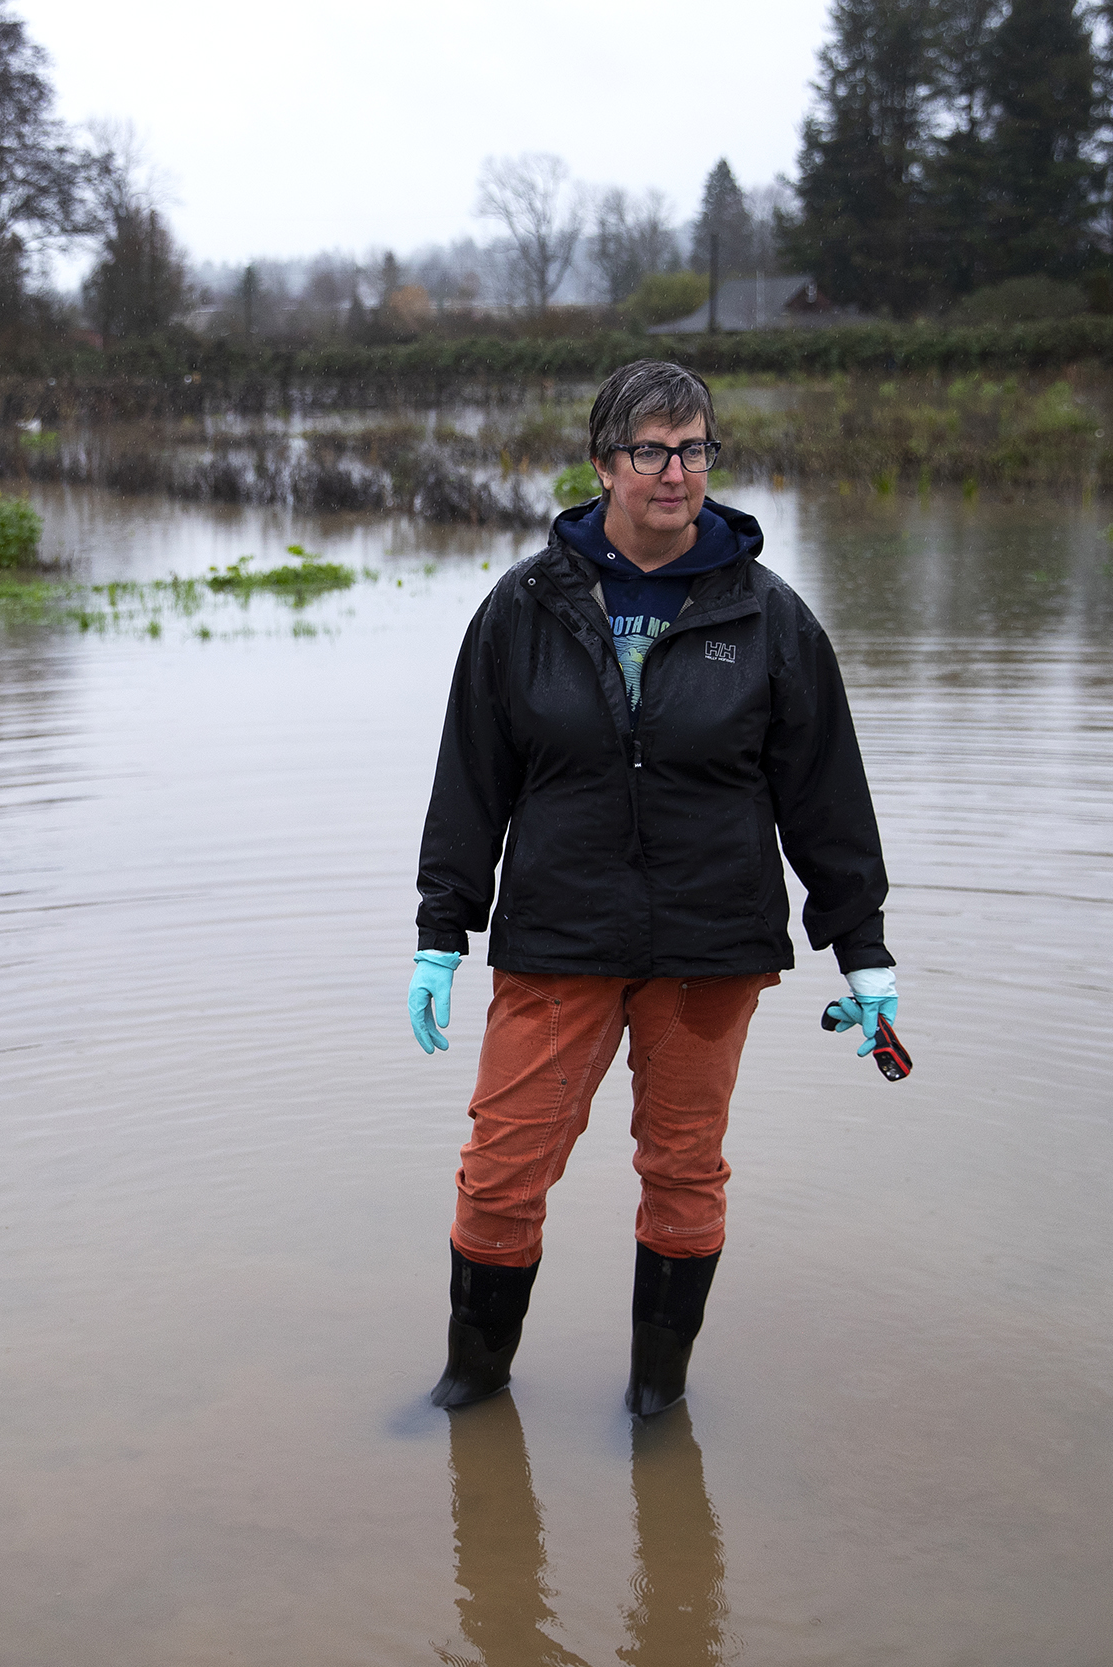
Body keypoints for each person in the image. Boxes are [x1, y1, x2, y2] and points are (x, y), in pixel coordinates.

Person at [407, 359, 897, 1416]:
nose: (675, 472)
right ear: (602, 463)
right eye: (650, 450)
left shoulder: (770, 618)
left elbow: (824, 797)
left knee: (682, 1171)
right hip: (558, 933)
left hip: (710, 946)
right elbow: (469, 781)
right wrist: (439, 929)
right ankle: (471, 1382)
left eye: (693, 449)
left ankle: (654, 1402)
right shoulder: (522, 608)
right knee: (499, 1170)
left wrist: (862, 948)